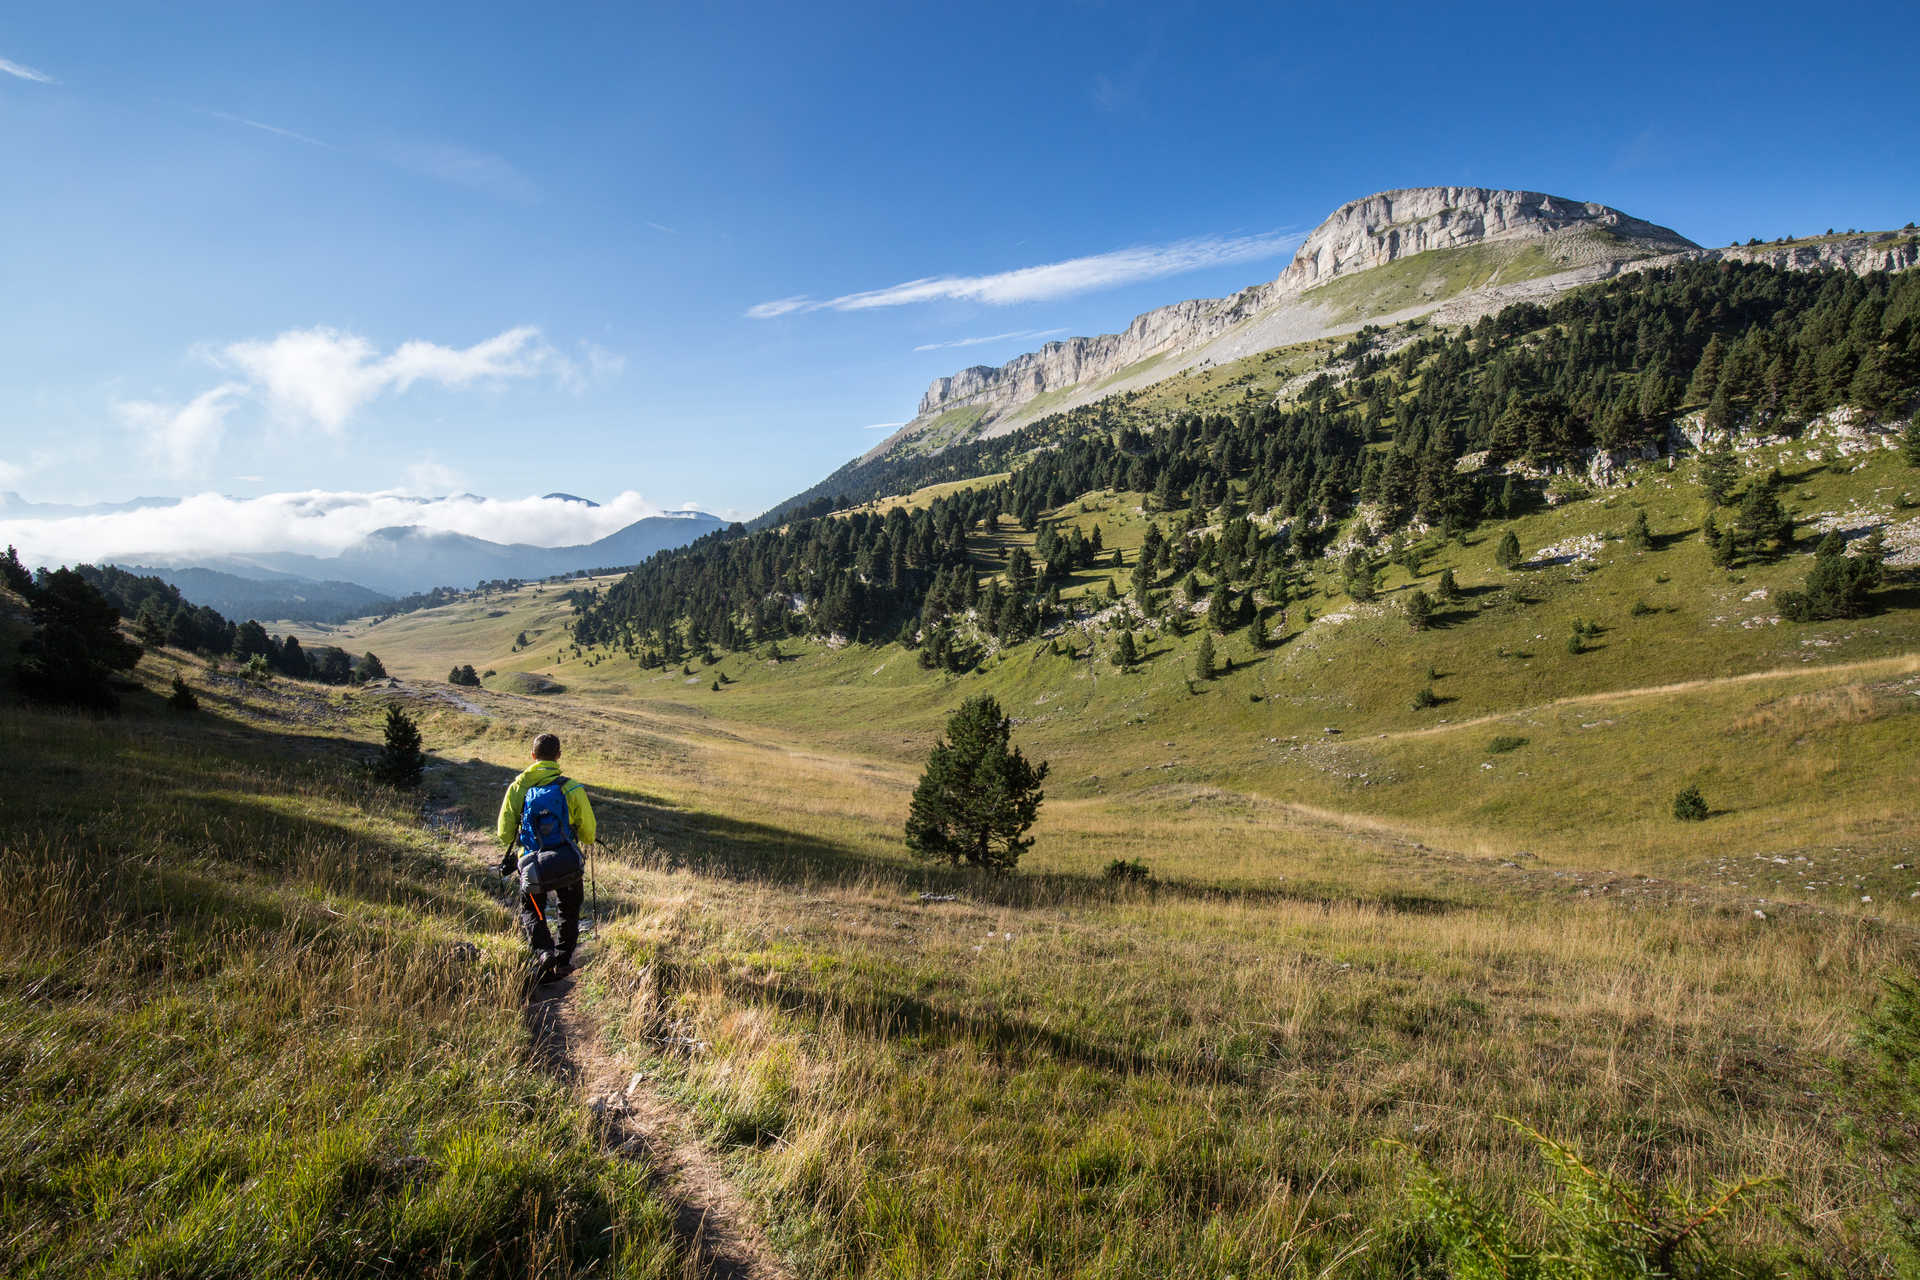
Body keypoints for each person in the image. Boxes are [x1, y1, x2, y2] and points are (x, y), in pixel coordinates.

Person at [496, 732, 596, 981]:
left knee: (533, 910)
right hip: (565, 861)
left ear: (532, 756)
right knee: (569, 909)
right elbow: (588, 834)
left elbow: (504, 834)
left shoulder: (518, 786)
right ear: (558, 756)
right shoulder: (571, 787)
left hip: (531, 863)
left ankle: (543, 952)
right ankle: (562, 960)